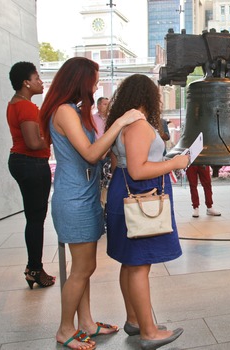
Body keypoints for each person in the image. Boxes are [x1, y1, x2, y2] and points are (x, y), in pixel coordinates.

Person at [40, 57, 142, 350]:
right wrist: (120, 121)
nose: (97, 85)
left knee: (84, 266)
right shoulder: (64, 111)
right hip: (74, 199)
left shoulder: (72, 110)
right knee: (83, 268)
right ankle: (64, 329)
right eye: (94, 79)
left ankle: (85, 323)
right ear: (80, 81)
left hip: (83, 195)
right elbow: (90, 153)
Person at [104, 74, 187, 350]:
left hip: (123, 193)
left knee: (129, 262)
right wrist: (175, 162)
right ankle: (149, 332)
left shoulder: (123, 123)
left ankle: (135, 320)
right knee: (139, 265)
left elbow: (122, 164)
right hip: (143, 196)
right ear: (148, 96)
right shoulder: (138, 124)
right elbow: (138, 170)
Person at [6, 61, 55, 289]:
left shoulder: (16, 104)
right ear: (26, 82)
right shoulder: (25, 107)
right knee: (36, 219)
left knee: (34, 218)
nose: (40, 81)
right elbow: (34, 143)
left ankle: (34, 267)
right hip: (31, 163)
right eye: (37, 78)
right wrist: (57, 137)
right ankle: (34, 268)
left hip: (24, 162)